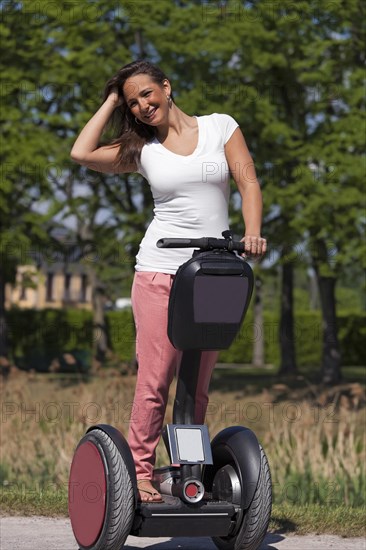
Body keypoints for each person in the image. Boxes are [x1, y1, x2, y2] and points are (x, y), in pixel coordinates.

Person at [70, 60, 267, 502]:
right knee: (157, 378)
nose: (141, 106)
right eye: (132, 101)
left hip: (214, 271)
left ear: (166, 86)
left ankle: (184, 470)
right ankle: (139, 471)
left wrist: (251, 231)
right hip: (159, 269)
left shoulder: (221, 127)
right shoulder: (141, 149)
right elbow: (81, 153)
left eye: (146, 94)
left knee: (197, 382)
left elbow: (248, 181)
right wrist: (111, 100)